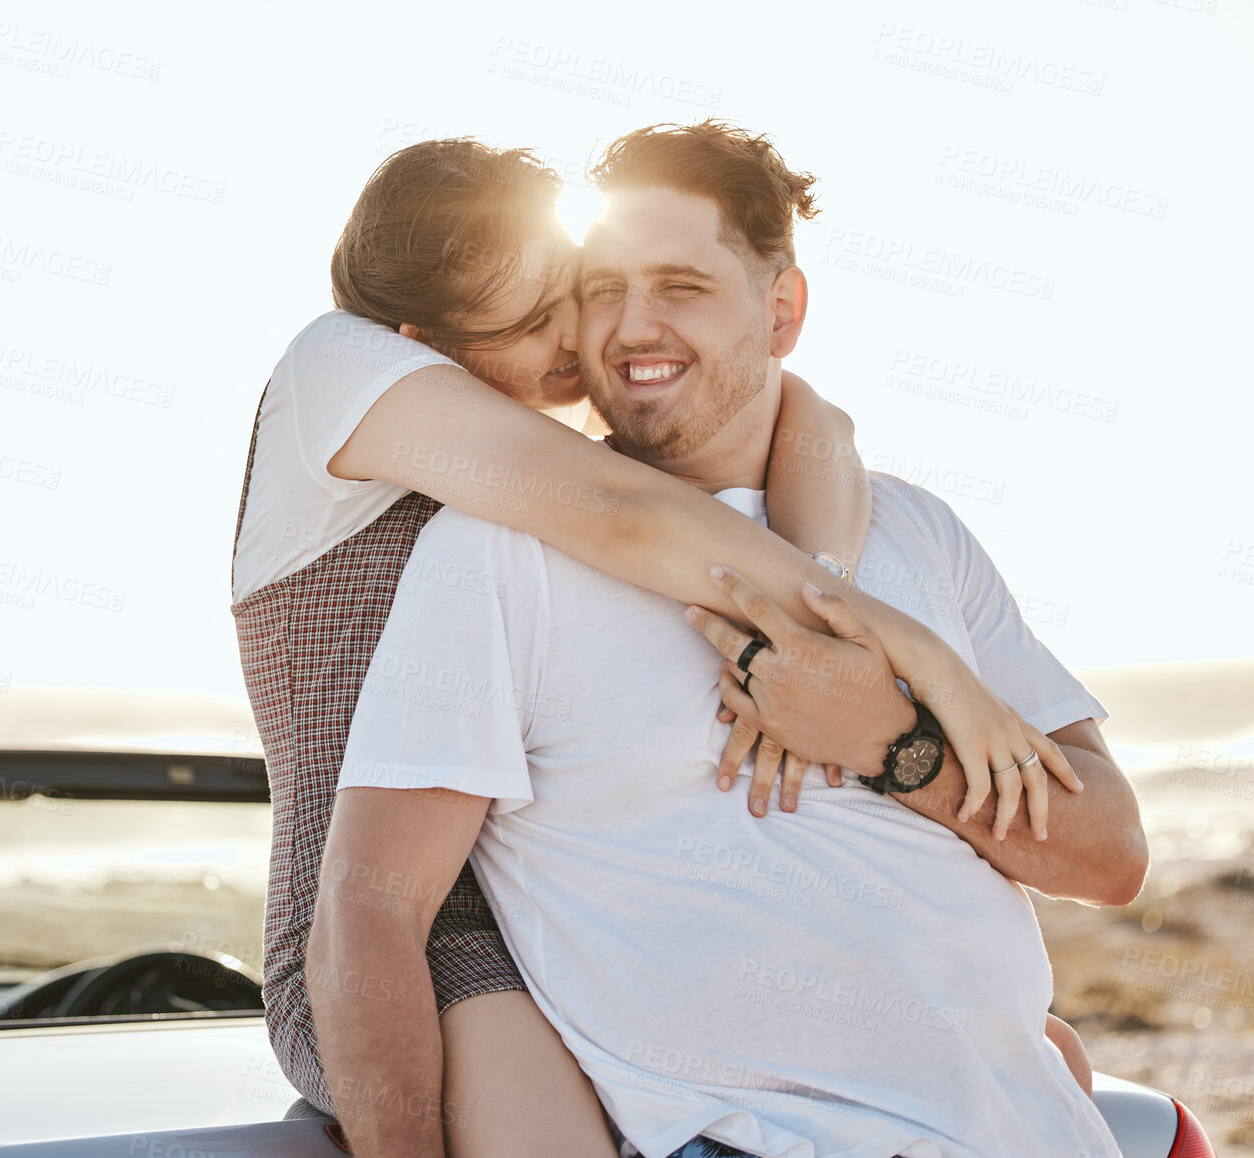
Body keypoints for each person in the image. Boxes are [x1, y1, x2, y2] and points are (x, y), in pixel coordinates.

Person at [230, 137, 1084, 1153]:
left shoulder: (521, 420)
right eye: (532, 318)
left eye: (569, 298)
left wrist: (817, 634)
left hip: (556, 930)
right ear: (423, 342)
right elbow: (621, 507)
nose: (571, 342)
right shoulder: (335, 368)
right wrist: (913, 653)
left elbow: (817, 425)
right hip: (400, 937)